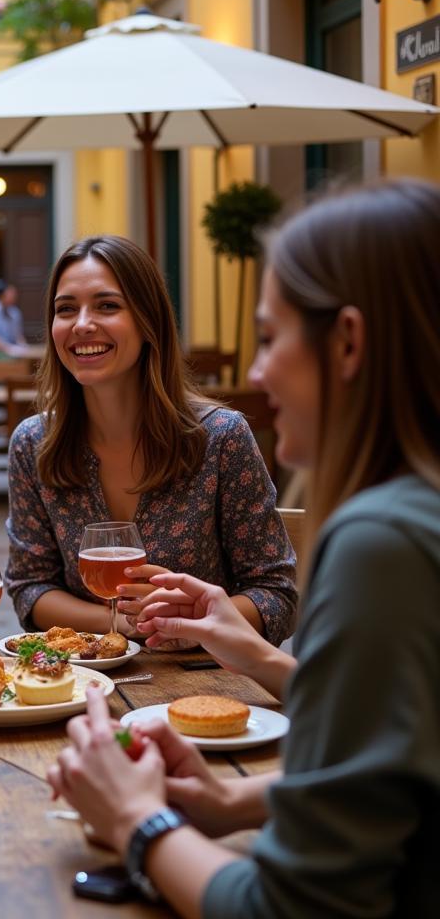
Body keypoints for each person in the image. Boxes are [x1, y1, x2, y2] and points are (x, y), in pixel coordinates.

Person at [49, 179, 440, 916]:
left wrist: (136, 821)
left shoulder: (381, 540)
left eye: (269, 338)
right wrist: (230, 800)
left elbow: (292, 905)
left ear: (348, 341)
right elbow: (395, 765)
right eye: (66, 308)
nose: (257, 374)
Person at [5, 236, 297, 646]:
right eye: (66, 309)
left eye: (107, 305)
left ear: (148, 322)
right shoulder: (33, 443)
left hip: (203, 684)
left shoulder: (219, 437)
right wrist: (122, 625)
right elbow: (30, 588)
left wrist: (193, 623)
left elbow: (277, 595)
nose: (82, 323)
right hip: (86, 683)